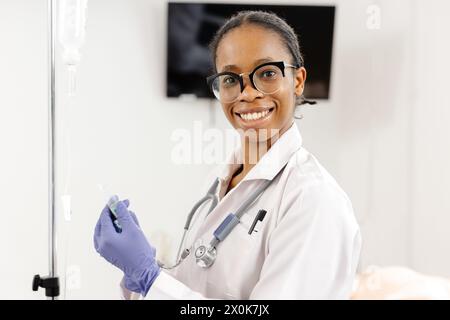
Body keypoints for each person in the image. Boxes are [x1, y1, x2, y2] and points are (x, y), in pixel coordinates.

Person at [94, 10, 361, 300]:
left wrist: (151, 280)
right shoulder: (218, 181)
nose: (247, 93)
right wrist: (140, 274)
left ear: (297, 80)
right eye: (231, 80)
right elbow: (199, 287)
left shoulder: (313, 199)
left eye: (267, 73)